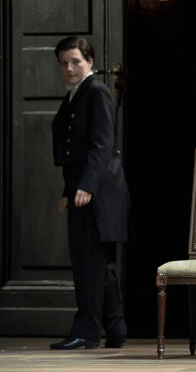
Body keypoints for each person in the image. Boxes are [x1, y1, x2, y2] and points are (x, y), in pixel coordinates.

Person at [50, 36, 130, 350]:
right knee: (99, 264)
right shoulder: (78, 93)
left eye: (75, 62)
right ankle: (116, 329)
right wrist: (69, 190)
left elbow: (102, 146)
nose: (69, 68)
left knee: (89, 264)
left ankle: (86, 332)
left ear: (90, 62)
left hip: (98, 193)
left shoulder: (96, 92)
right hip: (87, 189)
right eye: (63, 63)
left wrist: (86, 186)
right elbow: (77, 152)